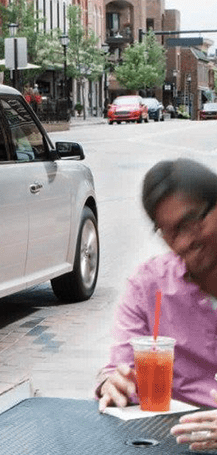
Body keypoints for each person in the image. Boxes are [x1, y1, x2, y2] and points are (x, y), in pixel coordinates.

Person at [96, 158, 217, 452]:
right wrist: (111, 382)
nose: (184, 242)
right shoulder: (149, 286)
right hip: (171, 439)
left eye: (191, 223)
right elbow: (118, 367)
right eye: (170, 232)